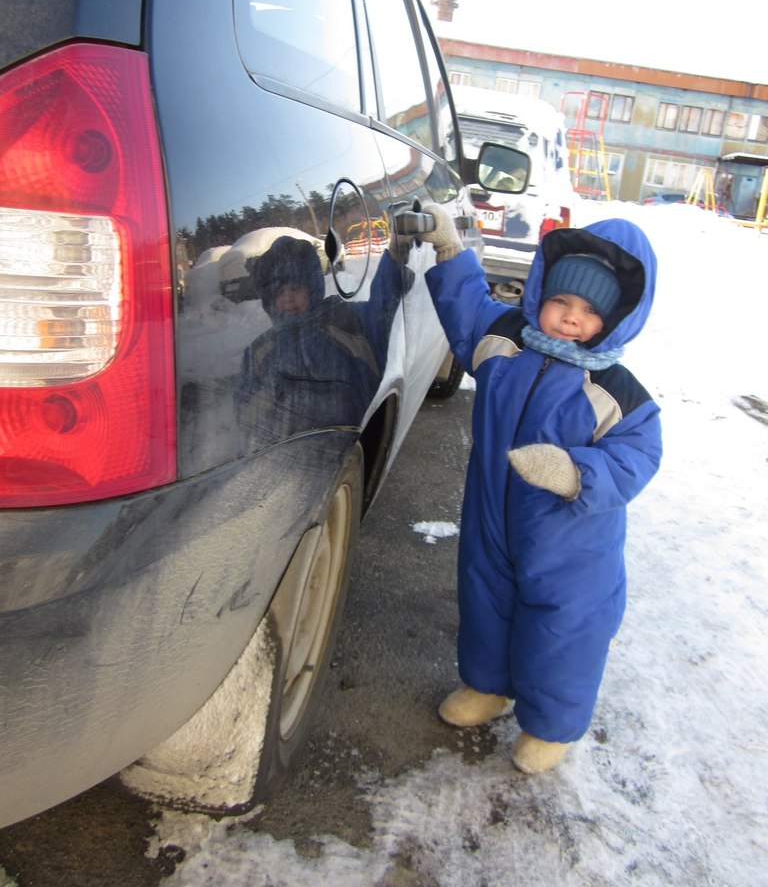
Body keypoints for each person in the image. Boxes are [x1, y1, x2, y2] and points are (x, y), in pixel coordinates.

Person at [419, 204, 662, 775]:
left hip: (570, 546)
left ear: (617, 318)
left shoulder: (616, 391)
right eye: (562, 301)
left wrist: (575, 473)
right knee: (486, 602)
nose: (571, 318)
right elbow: (467, 308)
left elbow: (638, 456)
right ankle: (487, 687)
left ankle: (550, 727)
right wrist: (451, 251)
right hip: (493, 521)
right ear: (540, 294)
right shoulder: (506, 342)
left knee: (562, 629)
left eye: (590, 311)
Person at [237, 231, 412, 447]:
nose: (287, 298)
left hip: (353, 442)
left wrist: (395, 258)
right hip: (290, 450)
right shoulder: (260, 350)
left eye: (295, 288)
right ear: (269, 298)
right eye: (279, 292)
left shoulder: (344, 320)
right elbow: (245, 413)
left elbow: (382, 304)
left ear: (312, 287)